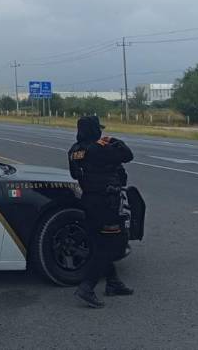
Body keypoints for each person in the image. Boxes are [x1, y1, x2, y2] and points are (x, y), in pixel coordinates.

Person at [68, 115, 135, 308]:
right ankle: (87, 287)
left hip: (89, 201)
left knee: (99, 243)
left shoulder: (74, 151)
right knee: (114, 244)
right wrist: (114, 141)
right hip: (107, 203)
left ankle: (113, 283)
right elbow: (128, 155)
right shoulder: (101, 149)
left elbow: (74, 174)